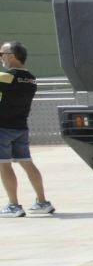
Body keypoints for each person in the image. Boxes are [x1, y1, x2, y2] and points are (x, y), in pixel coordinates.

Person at [0, 42, 53, 216]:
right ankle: (42, 202)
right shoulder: (31, 78)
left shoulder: (7, 77)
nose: (1, 58)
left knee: (4, 165)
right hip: (21, 127)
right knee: (27, 162)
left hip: (3, 128)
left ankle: (14, 205)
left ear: (12, 56)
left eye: (2, 54)